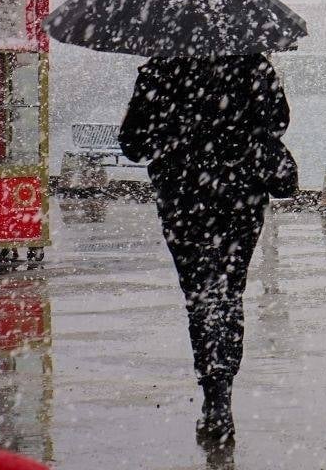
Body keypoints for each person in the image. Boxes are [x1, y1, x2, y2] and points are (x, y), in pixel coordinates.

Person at [119, 54, 289, 441]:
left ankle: (212, 394)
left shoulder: (160, 70)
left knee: (199, 295)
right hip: (241, 197)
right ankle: (223, 390)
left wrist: (174, 134)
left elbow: (133, 144)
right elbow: (278, 123)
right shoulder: (253, 65)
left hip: (182, 199)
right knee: (228, 292)